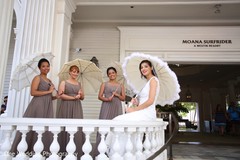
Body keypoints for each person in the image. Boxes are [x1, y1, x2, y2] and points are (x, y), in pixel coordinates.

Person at [106, 59, 160, 156]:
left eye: (146, 66)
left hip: (147, 113)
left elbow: (151, 101)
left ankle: (121, 154)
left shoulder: (153, 81)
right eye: (141, 67)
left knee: (118, 121)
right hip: (142, 111)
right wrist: (136, 102)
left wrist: (134, 110)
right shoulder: (147, 83)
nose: (143, 69)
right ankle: (123, 154)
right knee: (118, 122)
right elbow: (144, 100)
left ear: (151, 68)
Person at [10, 58, 58, 157]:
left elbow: (49, 97)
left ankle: (42, 152)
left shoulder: (49, 80)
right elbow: (33, 92)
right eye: (43, 66)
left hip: (47, 106)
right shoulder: (37, 78)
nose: (46, 68)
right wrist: (49, 91)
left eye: (47, 66)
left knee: (45, 128)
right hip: (38, 105)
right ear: (39, 68)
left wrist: (56, 96)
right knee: (37, 127)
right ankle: (29, 151)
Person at [92, 67, 125, 157]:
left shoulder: (120, 85)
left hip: (117, 106)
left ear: (116, 73)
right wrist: (107, 99)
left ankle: (114, 151)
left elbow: (123, 98)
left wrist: (117, 95)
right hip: (106, 106)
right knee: (104, 127)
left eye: (113, 73)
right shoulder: (104, 84)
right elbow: (99, 96)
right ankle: (101, 151)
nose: (111, 74)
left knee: (116, 127)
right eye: (109, 73)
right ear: (108, 75)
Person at [57, 65, 85, 159]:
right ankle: (63, 151)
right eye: (73, 71)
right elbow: (61, 95)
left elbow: (82, 98)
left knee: (76, 127)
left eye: (77, 71)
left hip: (76, 107)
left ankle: (75, 152)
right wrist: (73, 97)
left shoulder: (79, 84)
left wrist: (80, 95)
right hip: (66, 106)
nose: (75, 73)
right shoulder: (64, 82)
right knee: (65, 127)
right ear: (69, 72)